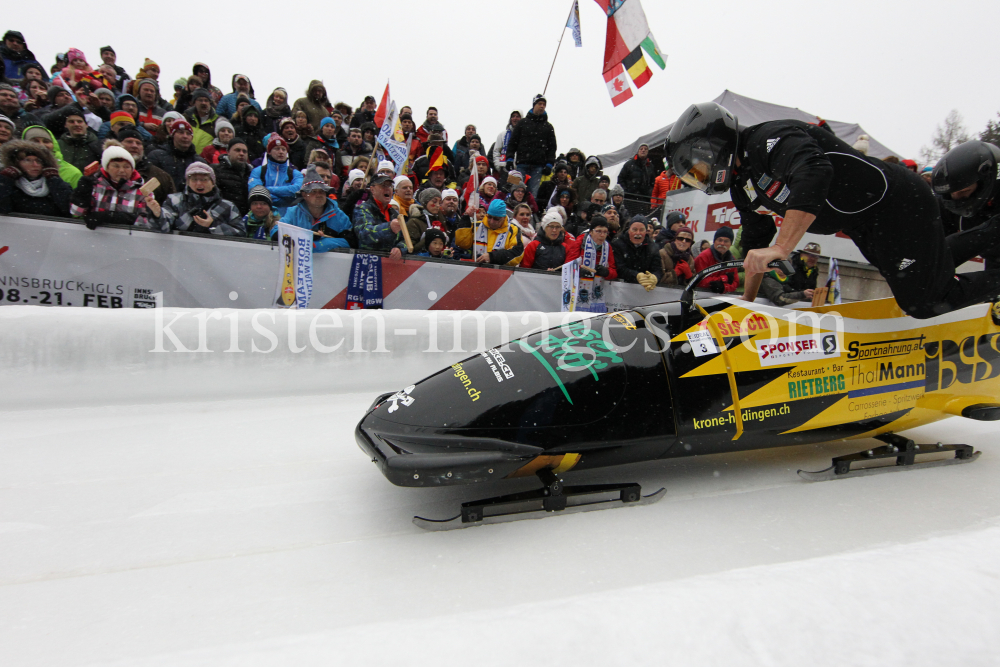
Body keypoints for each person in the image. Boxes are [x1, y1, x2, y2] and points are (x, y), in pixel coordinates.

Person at [665, 101, 1000, 319]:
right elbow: (755, 246)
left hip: (897, 203)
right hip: (866, 223)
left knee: (922, 302)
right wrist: (748, 304)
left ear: (715, 147)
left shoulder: (769, 139)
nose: (701, 179)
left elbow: (814, 171)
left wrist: (783, 246)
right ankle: (992, 234)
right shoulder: (742, 184)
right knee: (916, 275)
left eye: (698, 170)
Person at [934, 141, 1000, 272]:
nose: (957, 198)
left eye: (964, 191)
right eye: (952, 193)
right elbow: (940, 249)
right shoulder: (947, 205)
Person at [69, 141, 158, 230]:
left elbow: (148, 223)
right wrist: (82, 193)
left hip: (128, 239)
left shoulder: (142, 190)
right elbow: (76, 212)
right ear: (107, 168)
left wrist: (116, 217)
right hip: (97, 237)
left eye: (126, 167)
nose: (122, 170)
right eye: (116, 166)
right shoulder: (95, 185)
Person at [145, 161, 244, 235]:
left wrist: (213, 225)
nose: (199, 183)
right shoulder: (174, 201)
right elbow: (162, 228)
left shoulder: (228, 206)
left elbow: (241, 234)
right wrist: (157, 215)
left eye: (204, 179)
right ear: (187, 183)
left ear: (213, 183)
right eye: (194, 179)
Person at [278, 165, 354, 251]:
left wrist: (321, 243)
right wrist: (305, 236)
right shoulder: (293, 212)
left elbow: (350, 241)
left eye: (322, 191)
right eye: (313, 191)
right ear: (304, 195)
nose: (319, 195)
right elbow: (277, 232)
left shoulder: (338, 215)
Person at [0, 139, 72, 216]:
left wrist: (54, 180)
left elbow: (68, 210)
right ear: (16, 163)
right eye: (28, 160)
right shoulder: (11, 185)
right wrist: (5, 179)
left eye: (38, 161)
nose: (35, 165)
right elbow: (3, 210)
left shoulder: (55, 184)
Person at [506, 95, 556, 198]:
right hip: (521, 164)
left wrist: (549, 164)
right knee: (516, 188)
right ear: (534, 105)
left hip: (538, 166)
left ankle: (530, 212)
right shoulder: (522, 123)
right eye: (539, 104)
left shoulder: (548, 126)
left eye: (544, 105)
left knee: (533, 192)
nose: (542, 106)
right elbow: (513, 142)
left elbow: (552, 147)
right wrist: (509, 158)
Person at [455, 198, 524, 266]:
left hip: (501, 274)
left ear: (504, 218)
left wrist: (492, 257)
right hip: (476, 270)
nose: (491, 221)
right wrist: (466, 217)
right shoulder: (477, 226)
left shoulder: (514, 230)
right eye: (489, 217)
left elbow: (517, 254)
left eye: (496, 219)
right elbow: (462, 244)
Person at [352, 174, 407, 258]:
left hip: (390, 263)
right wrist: (389, 228)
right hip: (368, 261)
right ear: (372, 189)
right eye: (383, 185)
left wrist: (399, 248)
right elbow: (364, 234)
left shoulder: (394, 213)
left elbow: (406, 239)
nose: (387, 188)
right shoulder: (363, 209)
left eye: (390, 185)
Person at [248, 135, 303, 214]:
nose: (281, 152)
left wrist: (267, 190)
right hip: (264, 216)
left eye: (283, 149)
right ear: (269, 152)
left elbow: (297, 190)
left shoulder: (295, 173)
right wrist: (285, 200)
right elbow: (255, 192)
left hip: (287, 217)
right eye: (277, 149)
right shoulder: (258, 171)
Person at [117, 127, 175, 203]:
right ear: (118, 145)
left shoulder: (160, 176)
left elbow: (171, 207)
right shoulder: (105, 172)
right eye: (129, 141)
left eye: (138, 143)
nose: (134, 146)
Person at [147, 120, 207, 188]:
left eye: (188, 133)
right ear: (172, 135)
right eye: (181, 132)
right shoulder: (156, 156)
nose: (185, 136)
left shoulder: (199, 162)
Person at [612, 217, 662, 290]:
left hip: (644, 291)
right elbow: (619, 268)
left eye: (641, 230)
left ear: (646, 232)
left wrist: (654, 278)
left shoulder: (653, 247)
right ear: (629, 230)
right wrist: (637, 276)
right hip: (620, 289)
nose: (638, 233)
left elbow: (658, 269)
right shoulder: (618, 244)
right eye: (634, 230)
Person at [569, 215, 618, 281]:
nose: (602, 235)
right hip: (579, 284)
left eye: (605, 232)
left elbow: (614, 272)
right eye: (599, 231)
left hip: (598, 286)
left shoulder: (608, 247)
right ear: (591, 232)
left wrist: (607, 272)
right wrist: (579, 270)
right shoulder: (580, 242)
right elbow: (569, 265)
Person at [694, 227, 739, 294]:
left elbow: (735, 283)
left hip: (723, 297)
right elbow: (700, 282)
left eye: (726, 241)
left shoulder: (732, 259)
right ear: (714, 241)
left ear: (730, 244)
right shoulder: (703, 257)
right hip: (702, 295)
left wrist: (724, 287)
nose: (722, 243)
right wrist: (724, 278)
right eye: (719, 240)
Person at [212, 137, 251, 215]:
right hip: (223, 217)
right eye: (237, 150)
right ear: (228, 152)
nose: (241, 153)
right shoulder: (216, 171)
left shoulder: (252, 173)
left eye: (244, 151)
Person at [57, 108, 101, 172]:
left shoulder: (97, 145)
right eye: (71, 122)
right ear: (65, 125)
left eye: (80, 121)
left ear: (86, 125)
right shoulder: (58, 144)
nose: (76, 124)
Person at [406, 187, 446, 253]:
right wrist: (429, 237)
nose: (438, 205)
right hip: (420, 260)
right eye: (434, 201)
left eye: (440, 202)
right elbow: (411, 249)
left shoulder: (441, 219)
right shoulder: (414, 221)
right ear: (425, 202)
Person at [618, 143, 655, 210]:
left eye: (645, 149)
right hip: (630, 199)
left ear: (648, 152)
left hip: (644, 200)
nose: (643, 150)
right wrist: (626, 191)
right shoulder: (629, 164)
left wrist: (649, 193)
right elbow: (620, 178)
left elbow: (653, 182)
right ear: (638, 151)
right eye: (641, 149)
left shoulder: (650, 166)